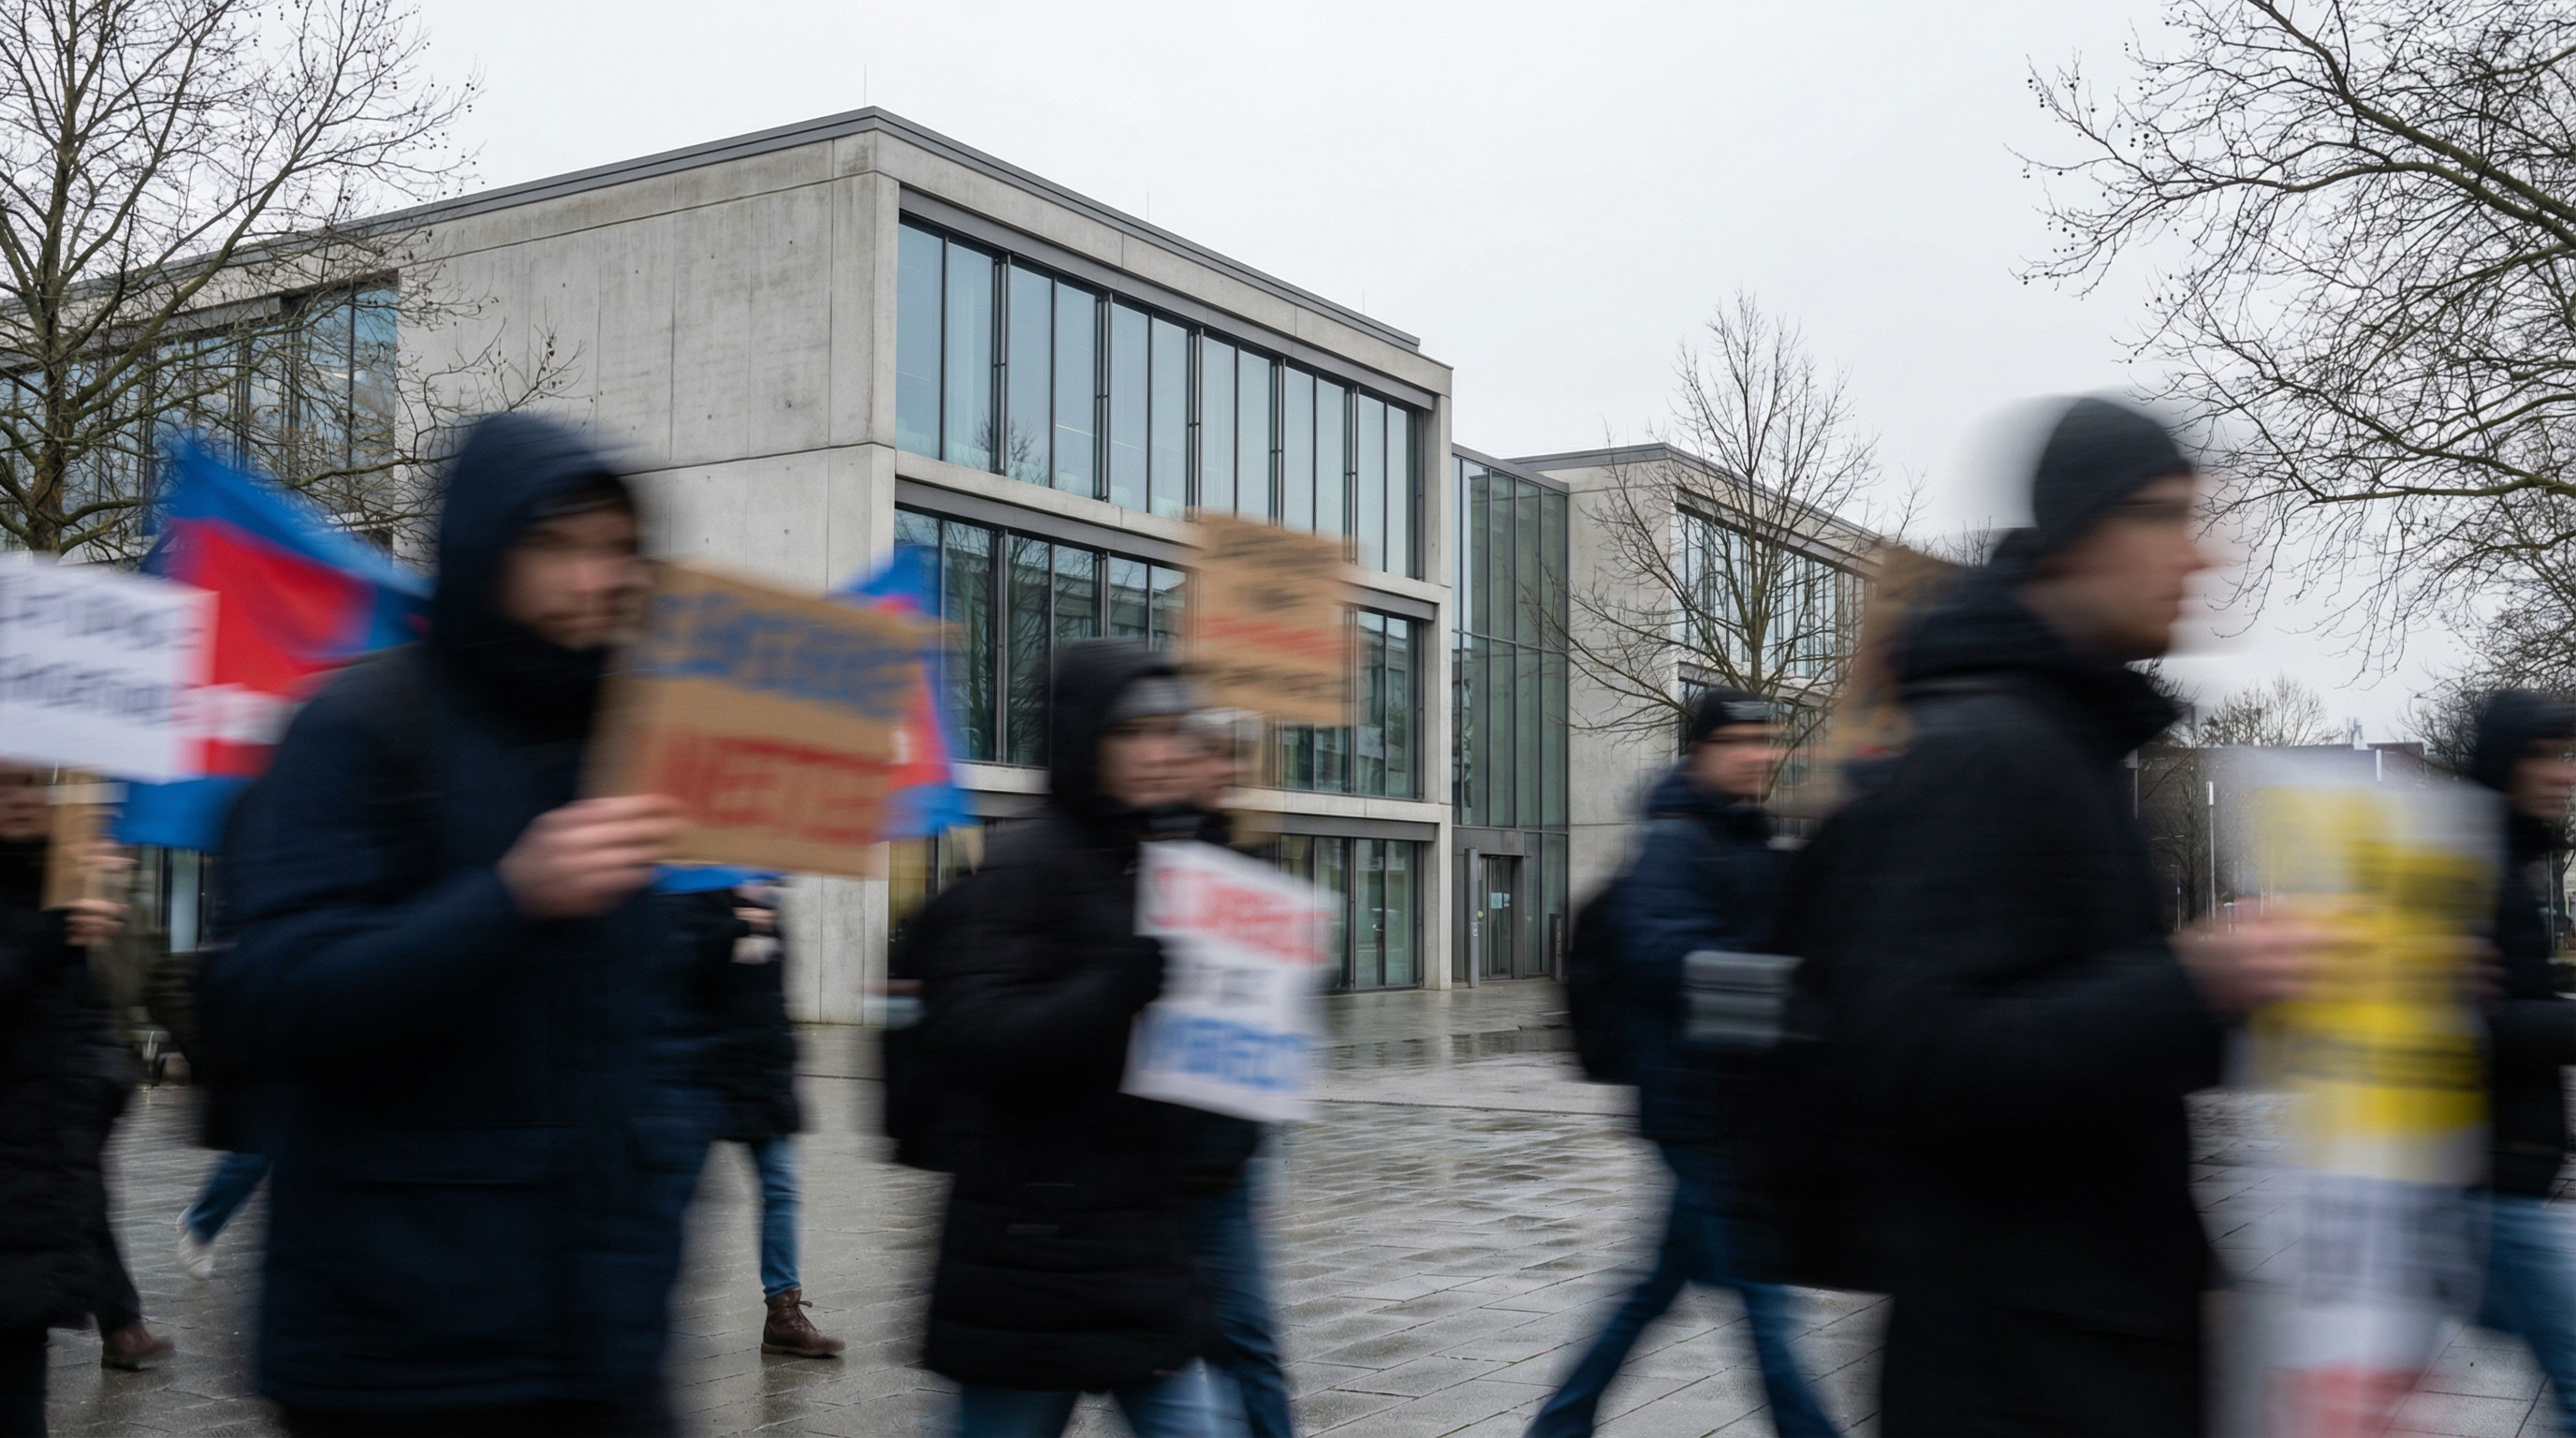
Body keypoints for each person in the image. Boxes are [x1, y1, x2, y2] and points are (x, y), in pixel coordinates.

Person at [1790, 397, 2311, 1436]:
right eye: (2167, 515)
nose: (2203, 556)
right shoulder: (1985, 749)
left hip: (2075, 1357)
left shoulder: (2061, 741)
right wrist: (2193, 982)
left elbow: (2089, 1092)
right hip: (2014, 1380)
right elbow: (1913, 1055)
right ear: (2083, 534)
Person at [199, 413, 699, 1438]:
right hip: (401, 1358)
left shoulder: (637, 743)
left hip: (603, 1348)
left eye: (615, 549)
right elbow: (274, 999)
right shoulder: (360, 727)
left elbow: (643, 1033)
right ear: (484, 551)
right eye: (555, 545)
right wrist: (510, 897)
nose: (593, 577)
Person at [916, 638, 1218, 1438]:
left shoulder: (1161, 862)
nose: (1162, 752)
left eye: (1172, 730)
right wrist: (1120, 988)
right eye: (1136, 732)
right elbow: (974, 1036)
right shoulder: (1021, 867)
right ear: (1088, 738)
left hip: (1139, 1258)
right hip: (1030, 1266)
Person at [1527, 690, 1837, 1438]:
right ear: (1701, 749)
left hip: (1729, 1104)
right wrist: (1787, 994)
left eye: (1770, 740)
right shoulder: (1675, 840)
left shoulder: (1744, 836)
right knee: (1764, 1299)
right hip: (1697, 1108)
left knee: (1654, 1288)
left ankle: (1559, 1425)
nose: (1762, 754)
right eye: (1742, 740)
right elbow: (1664, 959)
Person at [0, 770, 134, 1437]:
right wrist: (46, 941)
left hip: (33, 1203)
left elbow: (83, 1031)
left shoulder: (58, 887)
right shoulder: (46, 916)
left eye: (30, 782)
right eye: (1, 783)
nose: (20, 797)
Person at [1172, 710, 1295, 1438]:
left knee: (1245, 1341)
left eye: (1234, 756)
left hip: (1226, 1148)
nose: (1227, 768)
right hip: (1154, 1150)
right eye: (1211, 753)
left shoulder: (1249, 858)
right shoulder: (1141, 853)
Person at [668, 878, 844, 1359]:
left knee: (782, 1187)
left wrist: (786, 1055)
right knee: (682, 1195)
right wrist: (734, 927)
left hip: (763, 1076)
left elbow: (774, 991)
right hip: (706, 1074)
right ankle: (655, 1307)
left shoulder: (769, 895)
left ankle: (783, 1315)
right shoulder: (692, 894)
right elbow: (679, 972)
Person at [2466, 690, 2576, 1427]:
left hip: (2503, 1176)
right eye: (2545, 755)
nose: (2565, 773)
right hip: (2487, 1181)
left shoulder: (2513, 859)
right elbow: (2482, 1019)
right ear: (2505, 766)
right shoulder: (2477, 868)